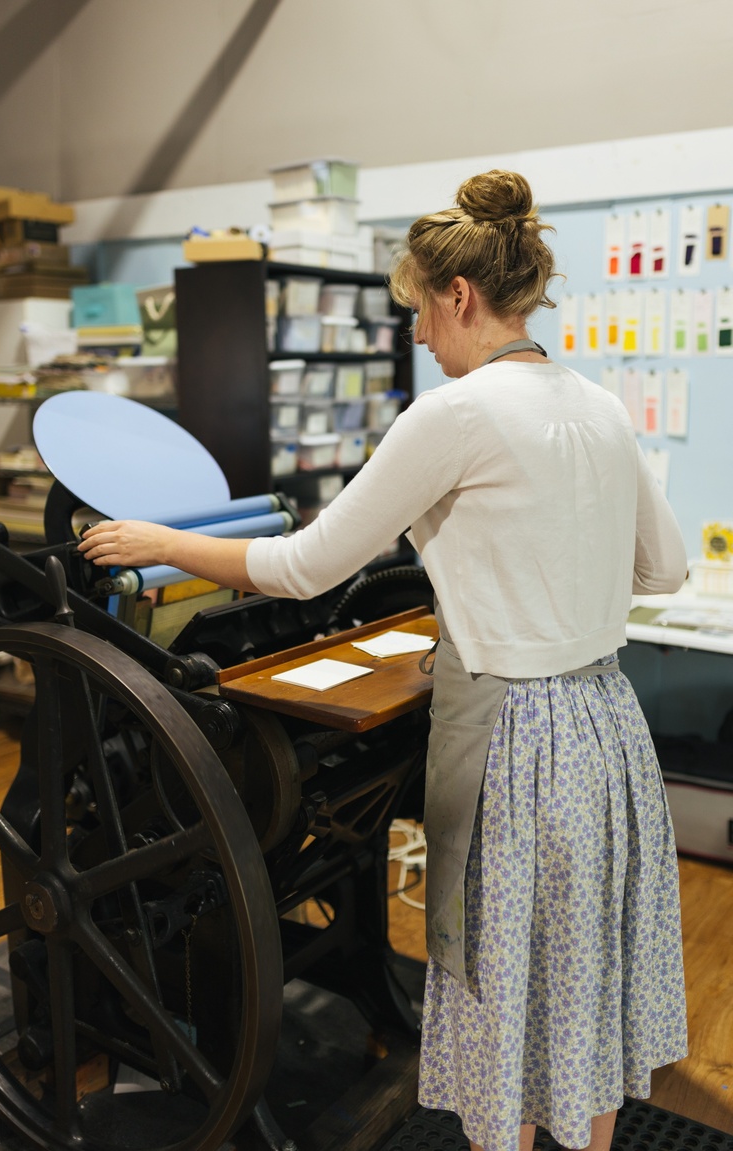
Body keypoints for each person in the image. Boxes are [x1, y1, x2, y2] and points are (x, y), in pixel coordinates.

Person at [79, 169, 688, 1151]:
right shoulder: (598, 403)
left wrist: (161, 540)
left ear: (460, 297)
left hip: (514, 744)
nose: (414, 335)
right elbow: (665, 564)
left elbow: (303, 564)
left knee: (500, 998)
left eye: (416, 310)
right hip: (604, 726)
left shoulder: (456, 415)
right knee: (579, 988)